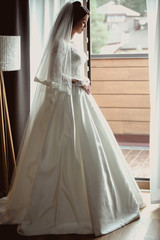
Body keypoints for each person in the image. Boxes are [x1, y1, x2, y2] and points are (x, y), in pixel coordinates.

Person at [0, 1, 145, 237]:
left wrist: (82, 81)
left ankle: (104, 203)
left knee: (94, 147)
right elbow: (55, 75)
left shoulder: (70, 42)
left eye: (86, 23)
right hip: (66, 102)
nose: (84, 27)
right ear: (73, 20)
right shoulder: (59, 44)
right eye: (83, 23)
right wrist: (80, 81)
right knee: (65, 150)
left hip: (80, 100)